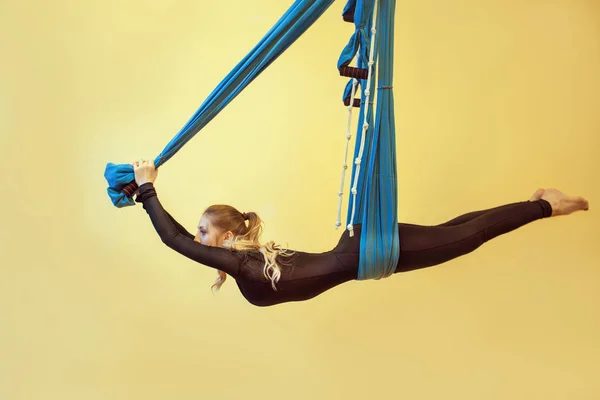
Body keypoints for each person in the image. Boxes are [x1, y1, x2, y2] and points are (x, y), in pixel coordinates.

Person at [131, 159, 590, 307]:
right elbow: (181, 237)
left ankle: (546, 205)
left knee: (463, 237)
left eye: (203, 230)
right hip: (358, 250)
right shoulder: (249, 262)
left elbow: (174, 241)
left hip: (360, 251)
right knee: (455, 231)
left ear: (227, 235)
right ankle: (541, 201)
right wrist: (143, 193)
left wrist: (148, 189)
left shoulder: (243, 261)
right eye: (200, 231)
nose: (198, 238)